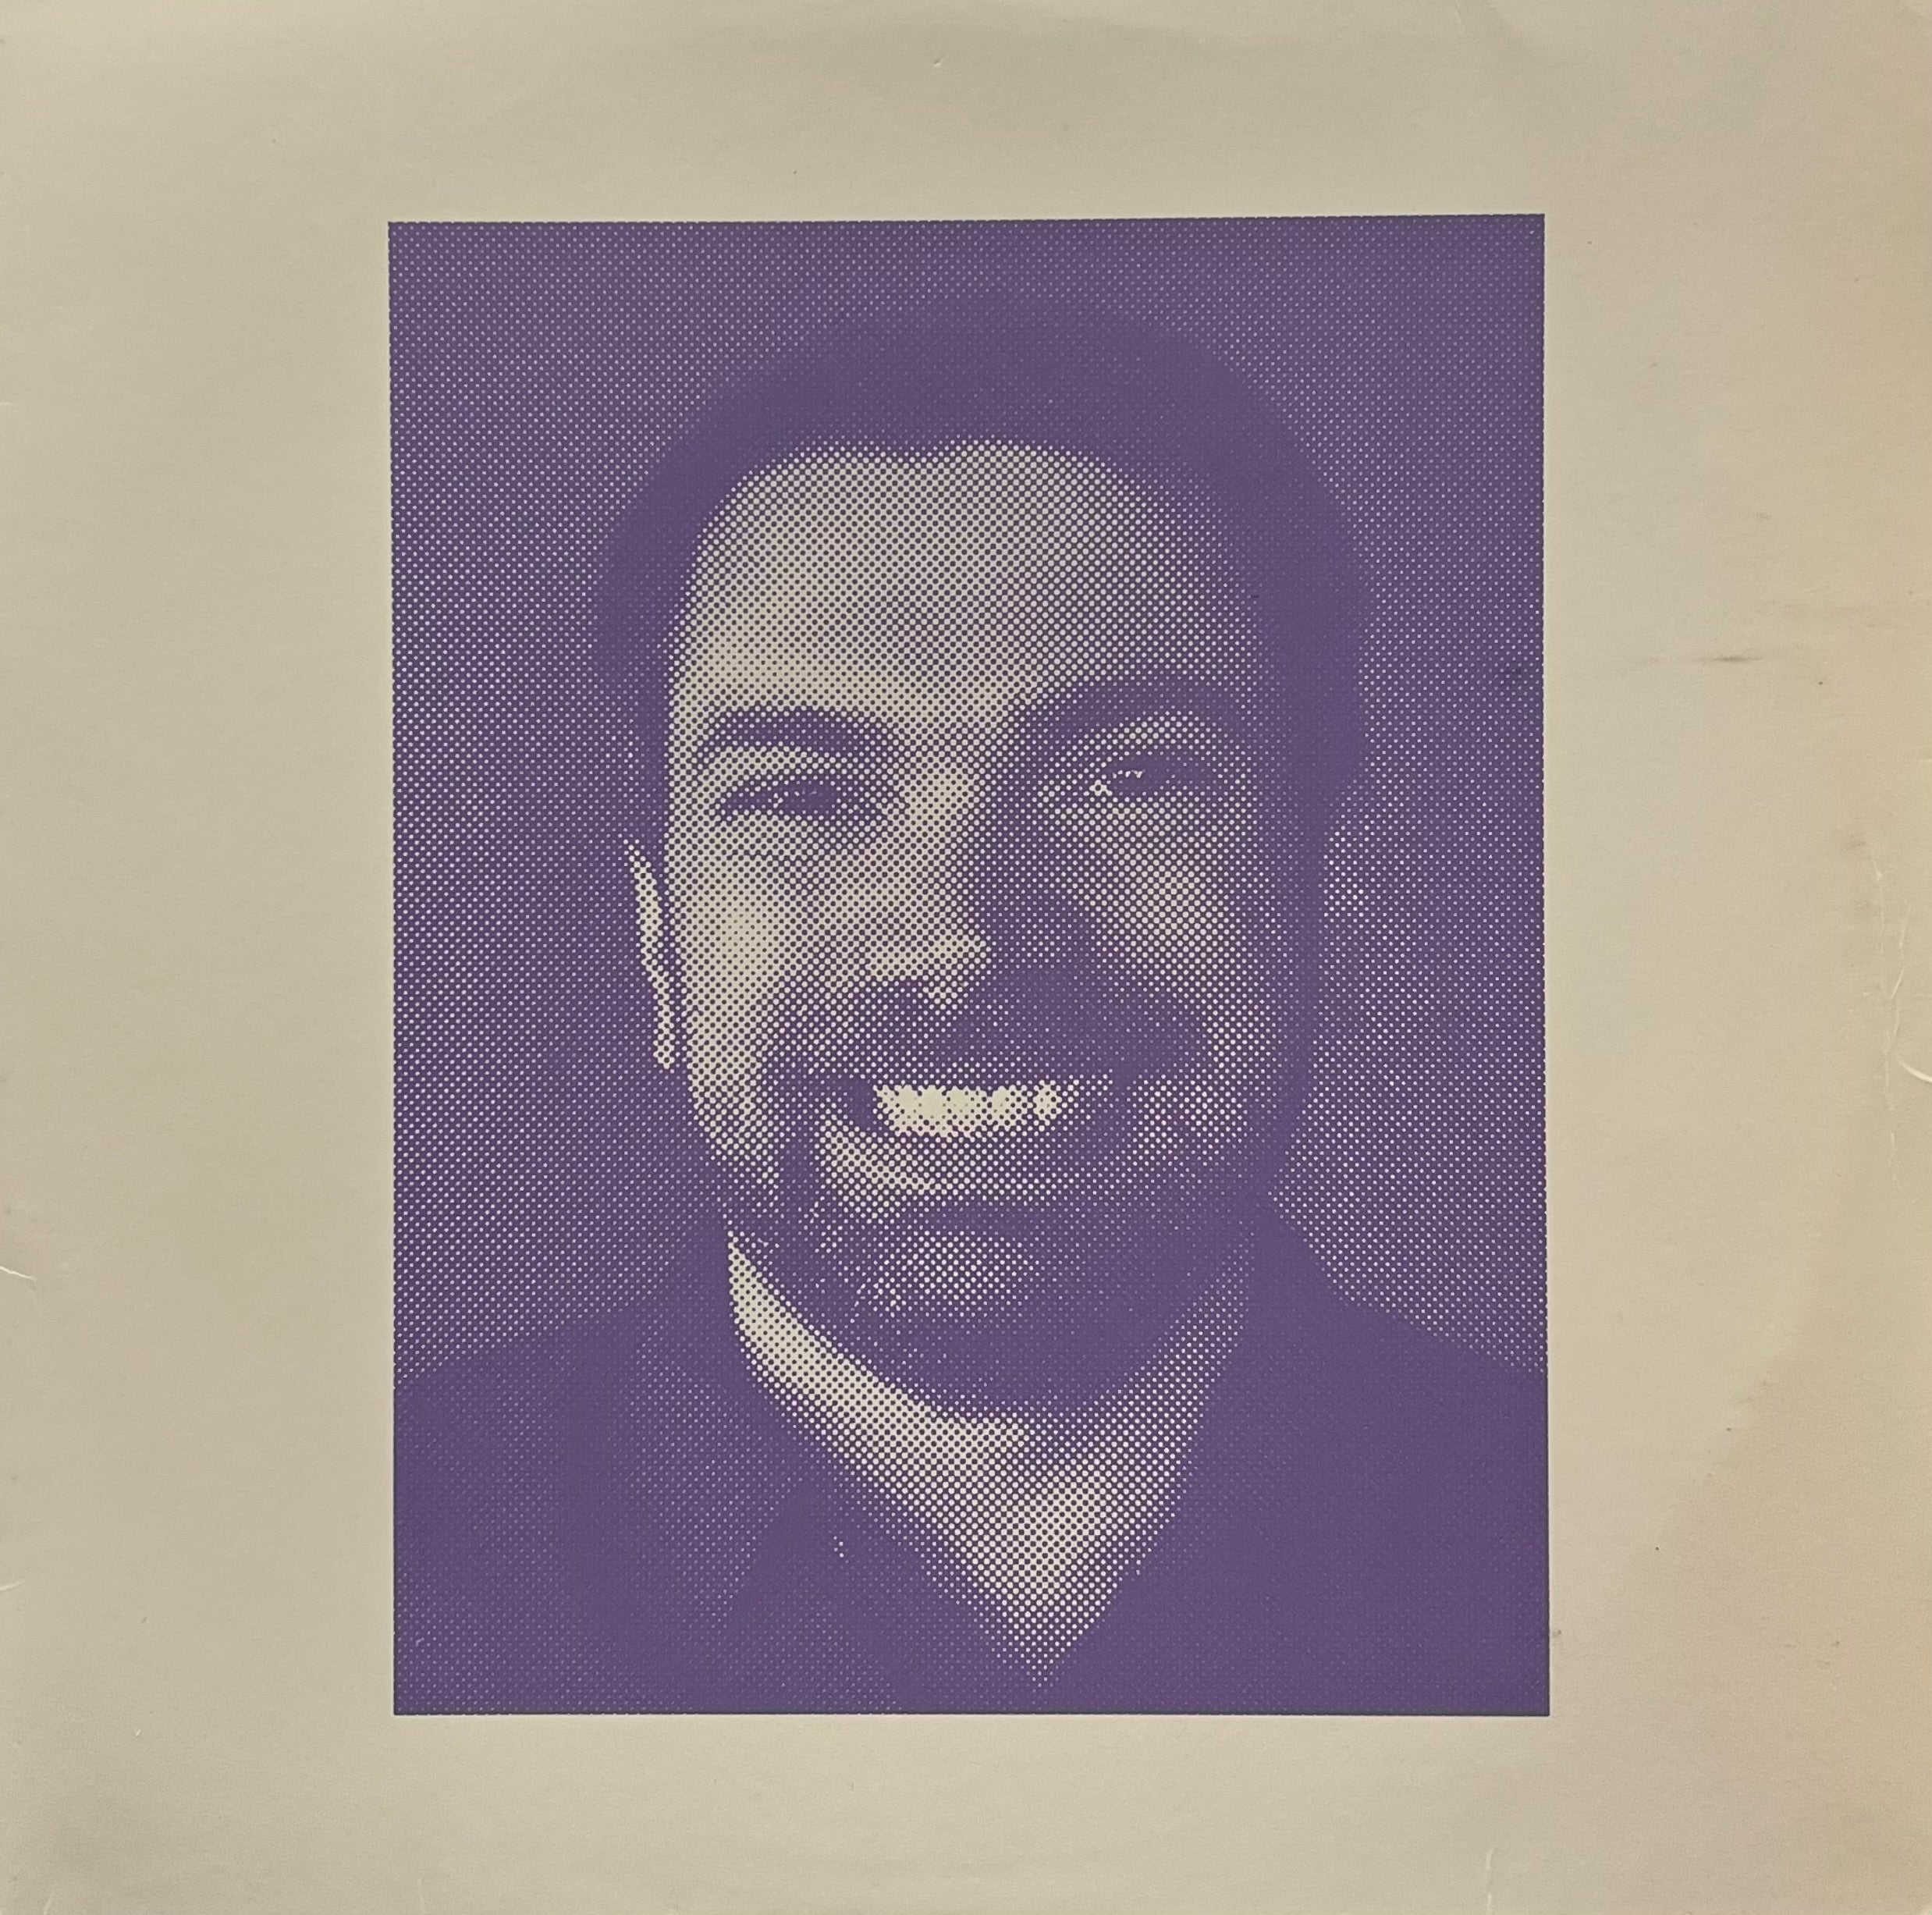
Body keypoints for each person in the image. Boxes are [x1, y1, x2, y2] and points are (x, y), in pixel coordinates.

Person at [395, 307, 1547, 1714]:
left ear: (1336, 885)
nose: (965, 942)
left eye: (1127, 779)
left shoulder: (1610, 1551)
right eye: (805, 798)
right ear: (658, 935)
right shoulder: (343, 1572)